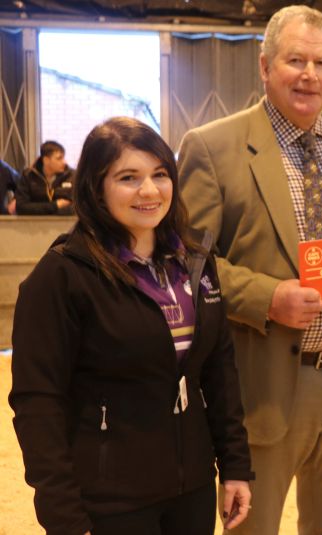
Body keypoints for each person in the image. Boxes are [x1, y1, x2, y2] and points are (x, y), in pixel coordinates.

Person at [177, 5, 322, 535]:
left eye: (321, 63)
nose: (309, 74)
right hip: (268, 378)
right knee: (254, 527)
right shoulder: (212, 147)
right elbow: (188, 264)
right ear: (264, 66)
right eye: (295, 60)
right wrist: (268, 296)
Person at [9, 117, 253, 535]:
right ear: (95, 187)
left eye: (160, 174)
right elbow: (38, 402)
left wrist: (235, 465)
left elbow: (218, 372)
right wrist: (63, 515)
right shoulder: (63, 275)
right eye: (128, 177)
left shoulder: (195, 260)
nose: (149, 190)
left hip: (190, 487)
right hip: (109, 498)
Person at [16, 140, 75, 215]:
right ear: (46, 160)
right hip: (34, 224)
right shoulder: (28, 176)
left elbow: (76, 207)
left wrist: (40, 209)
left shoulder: (72, 176)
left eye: (63, 158)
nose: (64, 162)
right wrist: (55, 205)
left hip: (64, 224)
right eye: (59, 158)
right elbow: (21, 207)